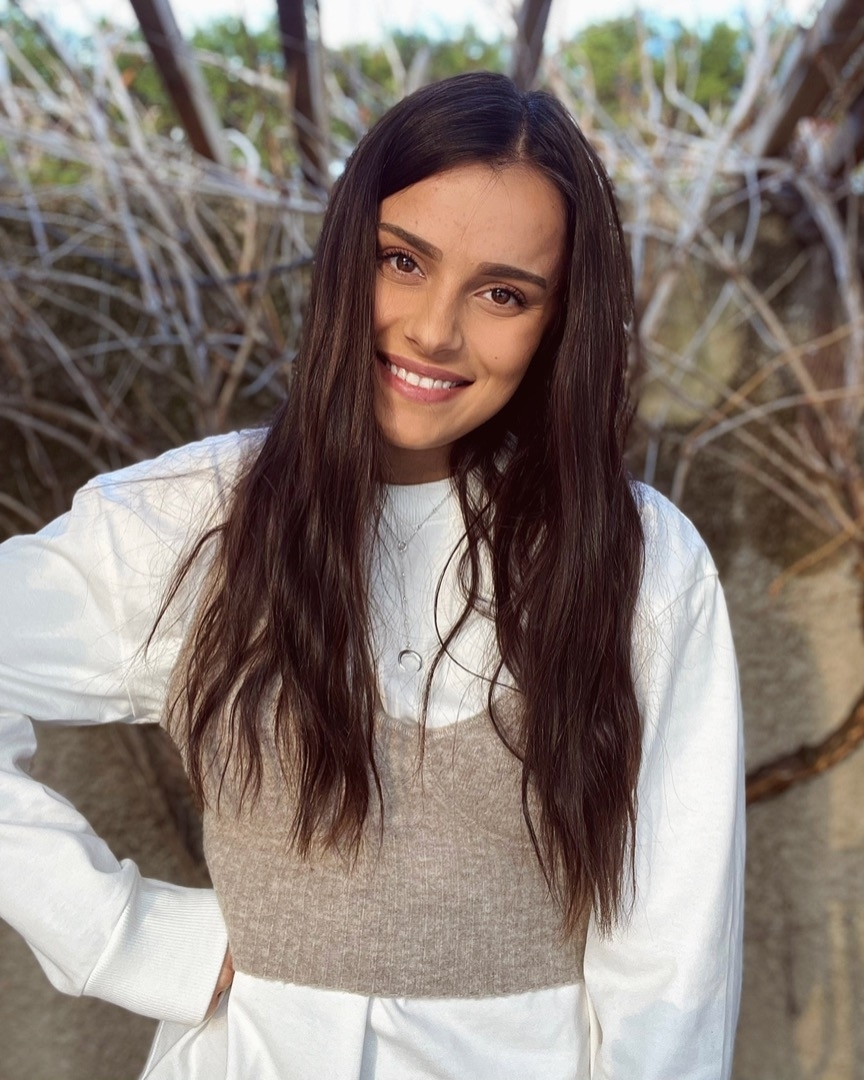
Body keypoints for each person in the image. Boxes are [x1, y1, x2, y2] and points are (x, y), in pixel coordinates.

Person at [0, 71, 744, 1079]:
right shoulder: (198, 518)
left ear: (560, 320)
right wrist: (123, 937)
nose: (435, 329)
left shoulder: (639, 560)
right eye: (403, 260)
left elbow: (673, 963)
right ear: (348, 253)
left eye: (503, 294)